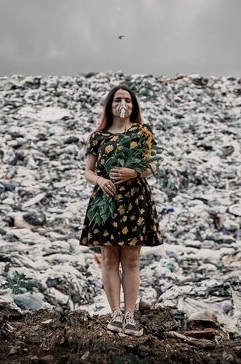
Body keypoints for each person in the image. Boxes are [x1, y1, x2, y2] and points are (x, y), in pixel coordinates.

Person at [80, 85, 162, 337]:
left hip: (134, 200)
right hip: (106, 201)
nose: (122, 104)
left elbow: (153, 165)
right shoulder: (98, 136)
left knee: (131, 259)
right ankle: (115, 314)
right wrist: (100, 180)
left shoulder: (142, 132)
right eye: (117, 99)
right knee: (108, 258)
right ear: (110, 105)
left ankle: (130, 315)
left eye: (127, 100)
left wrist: (133, 173)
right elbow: (88, 171)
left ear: (133, 105)